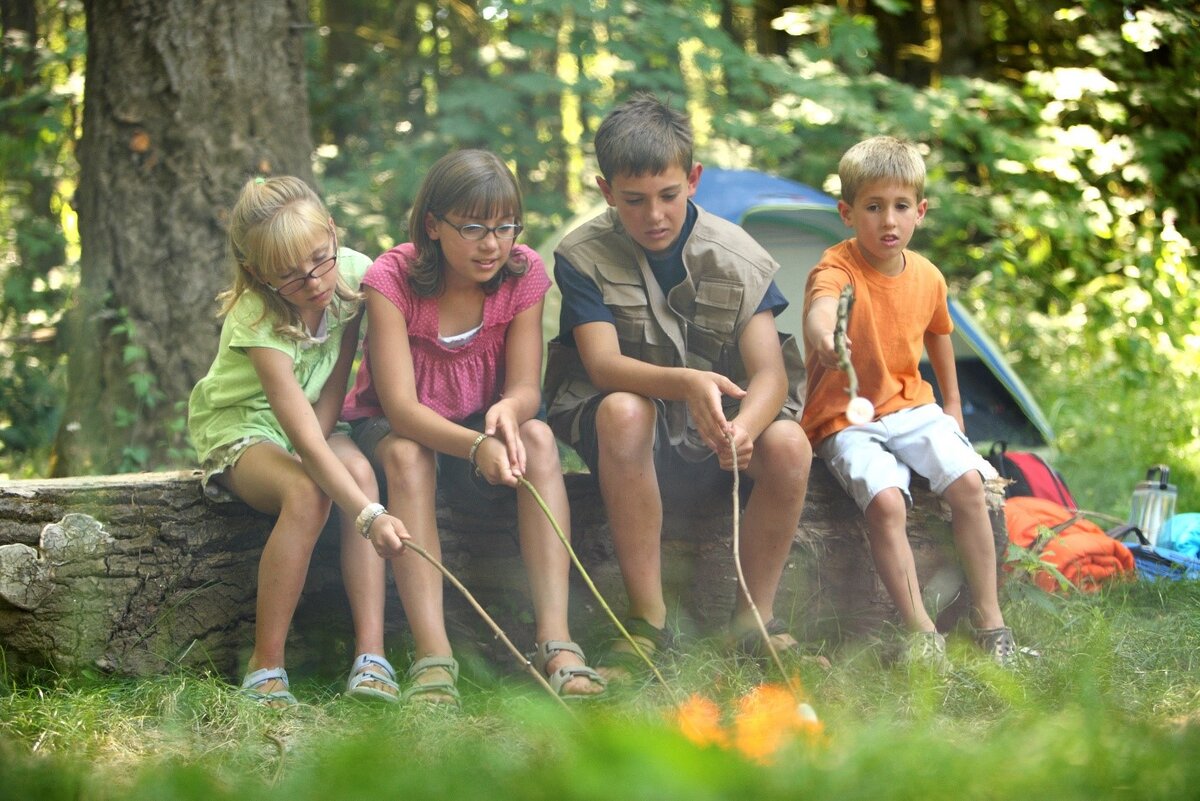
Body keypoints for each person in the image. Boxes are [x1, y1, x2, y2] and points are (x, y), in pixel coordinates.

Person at [544, 94, 813, 681]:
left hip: (716, 434)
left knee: (792, 446)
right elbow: (602, 364)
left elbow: (769, 373)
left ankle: (754, 619)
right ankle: (648, 621)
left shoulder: (738, 256)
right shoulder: (581, 255)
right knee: (622, 410)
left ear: (693, 180)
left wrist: (745, 429)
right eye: (634, 200)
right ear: (606, 190)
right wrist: (687, 383)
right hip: (629, 434)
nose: (654, 215)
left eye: (668, 195)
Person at [342, 149, 605, 704]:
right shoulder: (391, 278)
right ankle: (434, 654)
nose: (493, 244)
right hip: (395, 425)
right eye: (474, 228)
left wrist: (508, 413)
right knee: (409, 456)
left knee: (535, 437)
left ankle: (555, 640)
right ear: (433, 226)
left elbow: (526, 389)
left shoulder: (522, 272)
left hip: (478, 424)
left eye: (506, 227)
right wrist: (476, 444)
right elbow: (399, 406)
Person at [188, 176, 411, 707]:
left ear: (334, 233)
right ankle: (265, 666)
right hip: (244, 426)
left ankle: (371, 656)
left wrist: (354, 484)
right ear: (258, 273)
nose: (314, 283)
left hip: (316, 418)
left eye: (320, 259)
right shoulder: (256, 316)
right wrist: (369, 516)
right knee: (309, 493)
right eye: (290, 276)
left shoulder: (355, 275)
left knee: (360, 475)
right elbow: (302, 443)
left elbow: (337, 378)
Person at [800, 135, 1016, 668]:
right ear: (848, 213)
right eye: (873, 207)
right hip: (844, 418)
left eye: (900, 207)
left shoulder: (928, 276)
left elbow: (941, 334)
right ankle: (922, 634)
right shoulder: (837, 268)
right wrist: (826, 339)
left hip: (912, 406)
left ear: (919, 212)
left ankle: (990, 621)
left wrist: (955, 403)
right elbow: (820, 311)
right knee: (888, 501)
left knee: (970, 484)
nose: (887, 221)